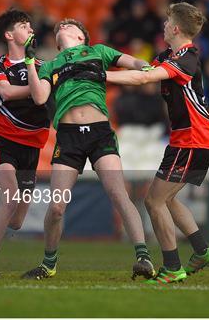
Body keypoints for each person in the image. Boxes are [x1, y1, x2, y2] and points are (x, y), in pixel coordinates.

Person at [22, 18, 155, 280]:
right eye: (59, 26)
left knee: (118, 194)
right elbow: (39, 97)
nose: (63, 26)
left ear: (83, 37)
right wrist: (29, 62)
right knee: (57, 207)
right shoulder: (50, 64)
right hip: (68, 136)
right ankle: (49, 264)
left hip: (99, 132)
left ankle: (143, 257)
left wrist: (146, 66)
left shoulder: (98, 52)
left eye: (70, 25)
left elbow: (136, 64)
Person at [105, 2, 209, 284]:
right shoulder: (170, 55)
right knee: (165, 198)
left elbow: (145, 78)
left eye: (167, 22)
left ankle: (172, 267)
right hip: (187, 139)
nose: (164, 26)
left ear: (176, 28)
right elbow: (143, 67)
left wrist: (100, 75)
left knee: (154, 201)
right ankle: (202, 251)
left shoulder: (187, 59)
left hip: (192, 140)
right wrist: (103, 60)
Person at [0, 9, 50, 278]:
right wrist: (39, 88)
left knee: (16, 221)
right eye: (23, 25)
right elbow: (5, 91)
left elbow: (47, 100)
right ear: (8, 34)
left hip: (32, 148)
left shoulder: (42, 66)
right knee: (10, 198)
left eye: (30, 25)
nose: (30, 29)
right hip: (2, 140)